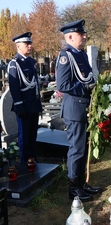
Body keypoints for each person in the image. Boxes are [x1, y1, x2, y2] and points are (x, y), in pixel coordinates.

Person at [56, 19, 100, 202]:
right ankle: (74, 190)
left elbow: (88, 76)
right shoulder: (66, 55)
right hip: (74, 109)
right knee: (76, 150)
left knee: (82, 149)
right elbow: (63, 84)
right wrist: (86, 88)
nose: (84, 36)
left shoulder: (80, 54)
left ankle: (81, 184)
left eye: (83, 34)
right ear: (70, 36)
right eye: (80, 34)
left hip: (84, 108)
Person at [7, 32, 42, 163]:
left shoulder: (31, 61)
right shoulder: (14, 63)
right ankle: (24, 162)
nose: (30, 46)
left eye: (30, 44)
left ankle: (33, 159)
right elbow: (14, 87)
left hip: (33, 104)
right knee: (25, 136)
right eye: (27, 44)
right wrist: (19, 105)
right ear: (18, 46)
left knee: (33, 135)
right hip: (24, 106)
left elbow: (34, 84)